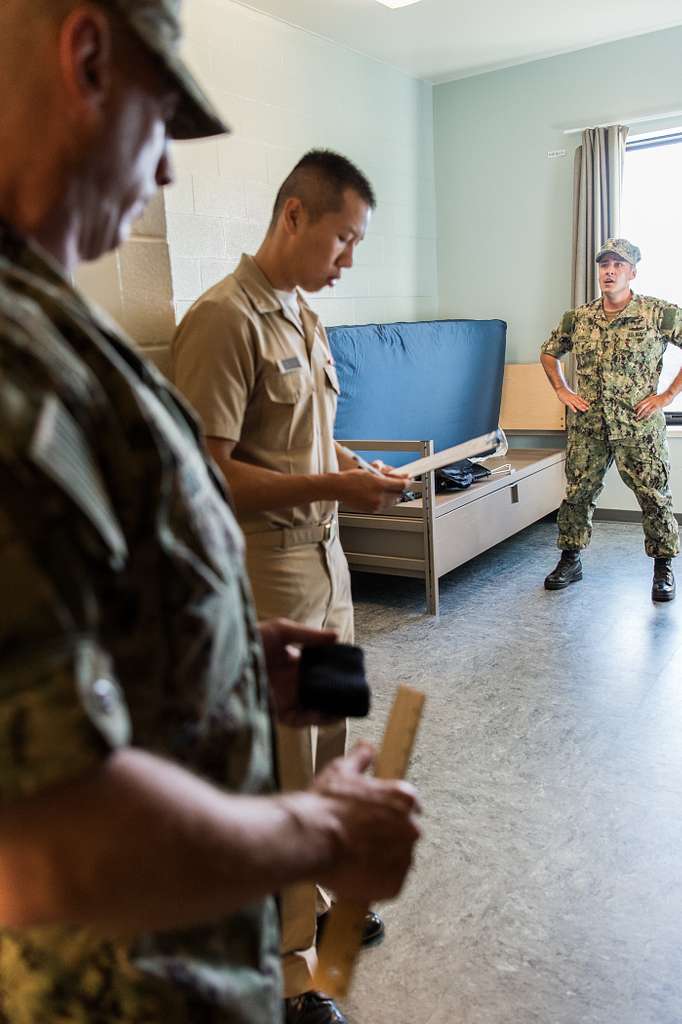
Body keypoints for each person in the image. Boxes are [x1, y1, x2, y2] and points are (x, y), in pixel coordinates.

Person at [0, 3, 422, 1023]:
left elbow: (93, 601)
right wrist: (320, 833)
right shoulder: (44, 352)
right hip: (110, 986)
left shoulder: (50, 323)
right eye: (162, 123)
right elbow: (44, 841)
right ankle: (294, 950)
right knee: (300, 781)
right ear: (89, 58)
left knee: (320, 735)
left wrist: (223, 647)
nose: (163, 177)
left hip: (177, 957)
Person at [171, 149, 409, 1024]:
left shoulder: (301, 319)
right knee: (279, 764)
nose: (349, 259)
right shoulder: (223, 322)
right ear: (294, 217)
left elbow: (302, 443)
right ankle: (283, 967)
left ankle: (315, 901)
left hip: (326, 563)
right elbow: (210, 476)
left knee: (329, 742)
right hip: (267, 570)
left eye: (358, 243)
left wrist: (353, 468)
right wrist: (334, 486)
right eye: (343, 238)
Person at [540, 238, 682, 601]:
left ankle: (663, 567)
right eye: (604, 265)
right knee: (577, 495)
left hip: (639, 427)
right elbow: (549, 352)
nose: (610, 271)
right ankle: (570, 559)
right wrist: (562, 390)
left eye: (618, 265)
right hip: (590, 427)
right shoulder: (580, 317)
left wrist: (666, 396)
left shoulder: (657, 313)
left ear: (632, 272)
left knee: (654, 497)